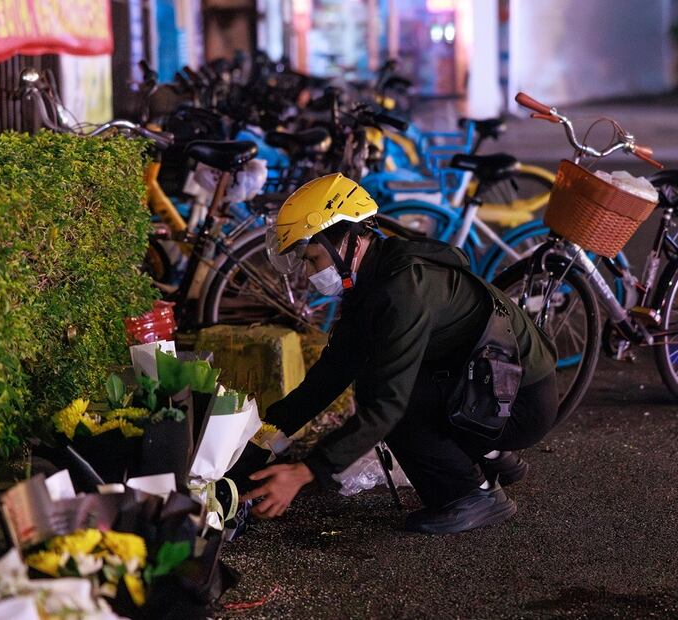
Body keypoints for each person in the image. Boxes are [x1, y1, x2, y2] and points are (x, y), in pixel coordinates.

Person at [238, 173, 559, 534]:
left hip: (521, 402)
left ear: (349, 241)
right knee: (382, 377)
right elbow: (335, 369)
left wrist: (306, 471)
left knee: (387, 396)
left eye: (313, 259)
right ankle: (492, 455)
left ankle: (470, 494)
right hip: (491, 384)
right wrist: (268, 434)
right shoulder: (374, 278)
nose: (311, 273)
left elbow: (386, 406)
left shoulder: (401, 291)